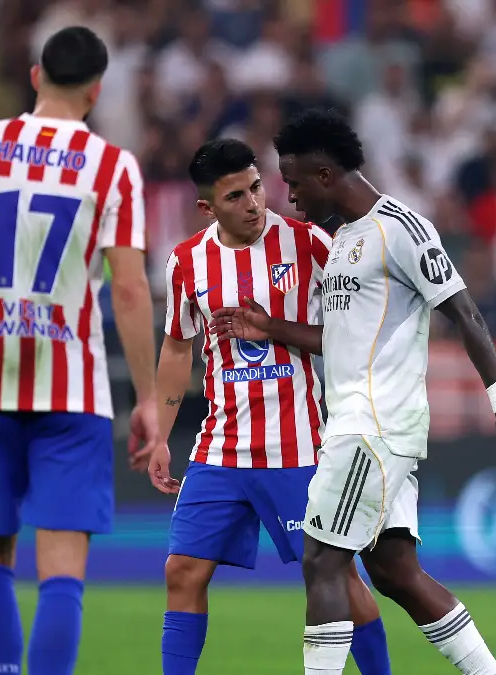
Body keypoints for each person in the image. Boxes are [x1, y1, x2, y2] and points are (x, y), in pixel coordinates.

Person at [214, 108, 496, 675]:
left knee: (322, 559)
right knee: (395, 573)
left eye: (293, 182)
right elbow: (342, 341)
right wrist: (272, 328)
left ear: (324, 174)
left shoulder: (402, 229)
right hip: (362, 425)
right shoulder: (344, 240)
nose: (289, 196)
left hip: (374, 426)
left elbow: (466, 314)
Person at [0, 26, 159, 675]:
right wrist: (149, 398)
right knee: (62, 569)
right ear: (96, 91)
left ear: (37, 74)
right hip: (74, 391)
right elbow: (130, 289)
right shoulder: (113, 167)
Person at [144, 138, 393, 675]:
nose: (254, 203)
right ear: (207, 207)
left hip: (298, 449)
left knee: (337, 580)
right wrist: (161, 434)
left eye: (256, 188)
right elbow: (177, 347)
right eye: (235, 196)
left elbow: (356, 333)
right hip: (220, 449)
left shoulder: (310, 244)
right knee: (182, 571)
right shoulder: (186, 261)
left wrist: (276, 329)